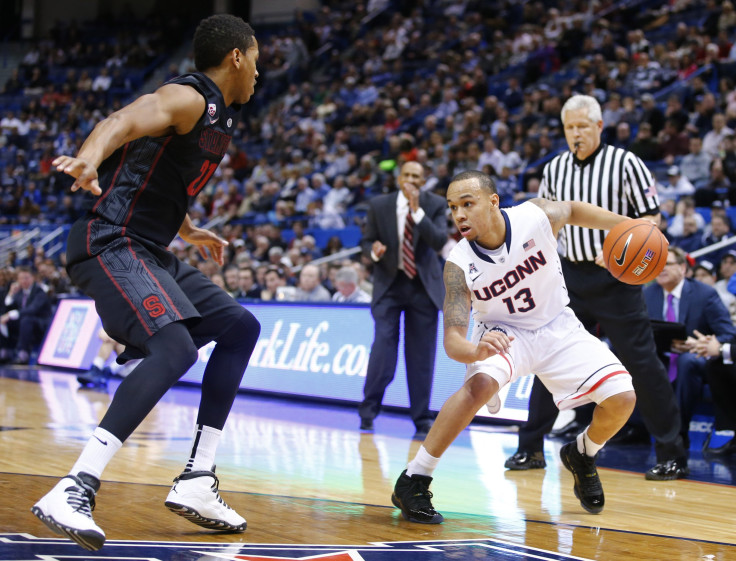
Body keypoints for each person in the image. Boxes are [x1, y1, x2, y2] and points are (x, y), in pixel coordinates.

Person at [31, 15, 262, 551]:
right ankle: (75, 485)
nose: (258, 70)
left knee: (238, 327)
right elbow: (125, 120)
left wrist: (186, 227)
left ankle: (198, 479)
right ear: (235, 56)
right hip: (111, 240)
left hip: (151, 249)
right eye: (256, 57)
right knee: (175, 348)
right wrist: (88, 159)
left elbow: (160, 171)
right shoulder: (188, 98)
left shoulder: (220, 120)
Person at [391, 170, 636, 523]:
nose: (458, 214)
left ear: (493, 202)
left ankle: (583, 453)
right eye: (452, 207)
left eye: (467, 203)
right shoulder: (458, 265)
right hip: (503, 334)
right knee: (478, 386)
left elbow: (572, 210)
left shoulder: (534, 216)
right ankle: (414, 478)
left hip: (558, 325)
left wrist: (626, 225)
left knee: (623, 399)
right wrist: (475, 352)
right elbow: (453, 341)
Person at [504, 95, 689, 481]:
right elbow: (547, 223)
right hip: (569, 276)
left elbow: (652, 218)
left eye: (582, 127)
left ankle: (671, 453)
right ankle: (530, 448)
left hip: (618, 279)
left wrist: (622, 247)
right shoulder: (554, 168)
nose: (575, 134)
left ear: (599, 127)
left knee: (641, 363)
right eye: (569, 127)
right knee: (547, 357)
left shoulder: (626, 163)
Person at [359, 161, 448, 439]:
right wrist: (373, 251)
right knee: (384, 349)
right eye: (407, 175)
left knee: (421, 357)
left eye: (417, 177)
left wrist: (417, 212)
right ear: (399, 178)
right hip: (389, 285)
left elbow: (439, 240)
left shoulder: (434, 204)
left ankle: (422, 419)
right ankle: (368, 410)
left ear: (423, 181)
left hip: (423, 288)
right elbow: (366, 241)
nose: (411, 180)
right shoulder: (379, 205)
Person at [644, 247, 736, 448]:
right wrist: (666, 344)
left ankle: (679, 433)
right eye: (657, 264)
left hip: (699, 358)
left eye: (667, 264)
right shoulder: (647, 293)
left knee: (687, 361)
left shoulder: (705, 294)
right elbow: (637, 334)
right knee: (636, 359)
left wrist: (701, 344)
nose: (661, 269)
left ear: (683, 268)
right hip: (662, 354)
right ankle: (634, 429)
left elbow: (728, 334)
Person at [0, 267, 52, 364]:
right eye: (21, 278)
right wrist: (11, 294)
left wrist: (10, 315)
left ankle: (23, 354)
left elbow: (33, 309)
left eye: (26, 278)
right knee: (4, 320)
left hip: (41, 323)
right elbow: (8, 309)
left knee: (26, 320)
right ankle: (5, 352)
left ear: (33, 278)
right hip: (25, 323)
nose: (24, 281)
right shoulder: (19, 293)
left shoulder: (39, 291)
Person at [76, 328, 142, 388]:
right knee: (110, 338)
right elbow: (101, 333)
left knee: (138, 349)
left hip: (140, 368)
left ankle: (106, 372)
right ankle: (97, 369)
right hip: (124, 364)